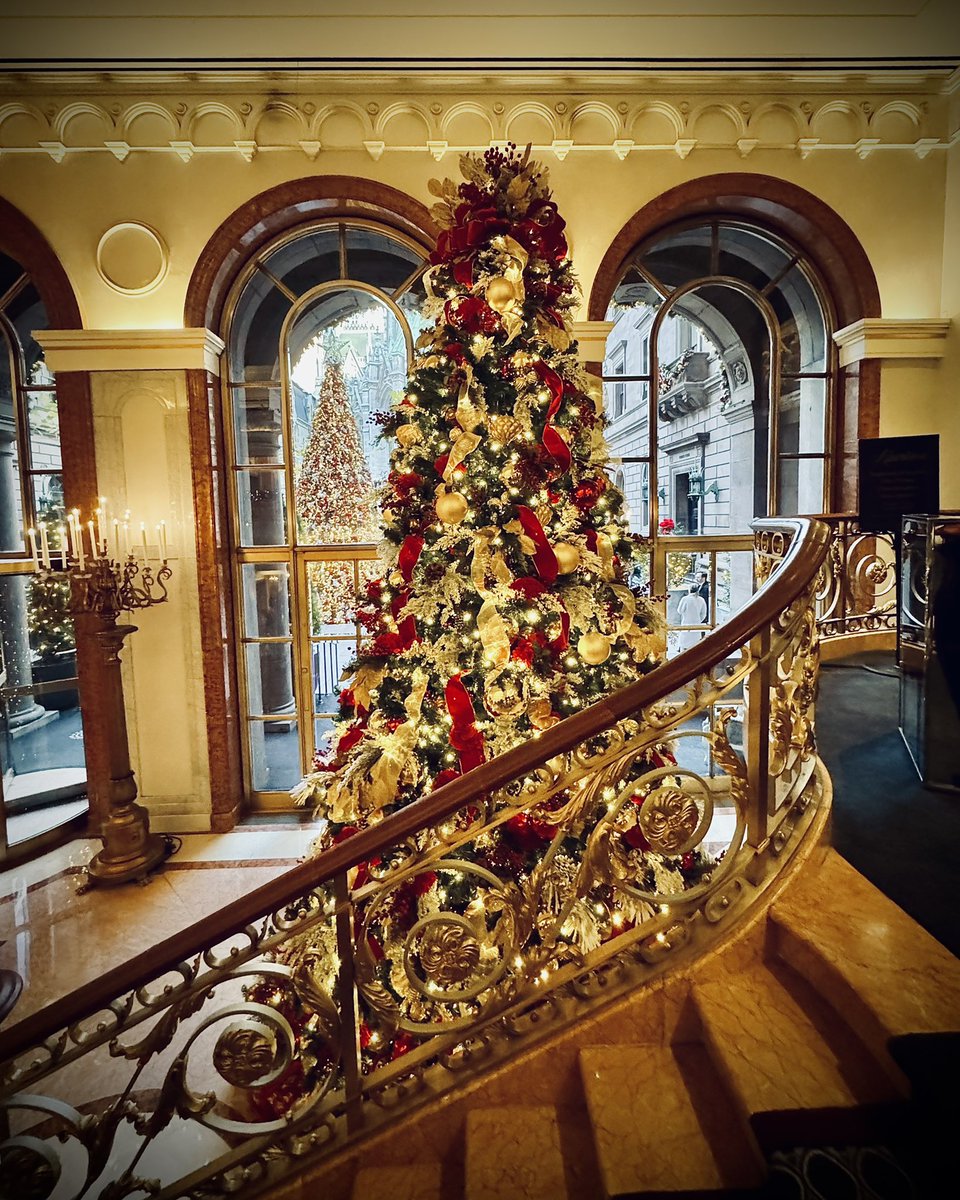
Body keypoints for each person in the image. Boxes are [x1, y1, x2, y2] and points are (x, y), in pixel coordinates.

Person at [676, 583, 708, 652]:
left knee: (684, 645)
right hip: (697, 625)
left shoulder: (685, 599)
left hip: (686, 624)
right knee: (695, 646)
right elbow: (703, 614)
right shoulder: (701, 600)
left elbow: (679, 610)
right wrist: (698, 620)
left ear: (689, 590)